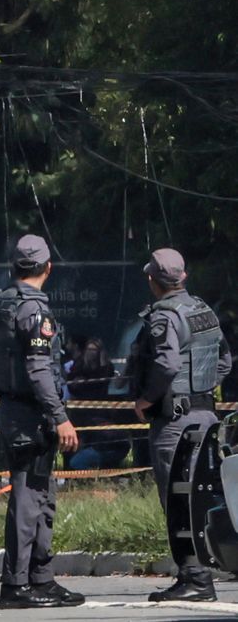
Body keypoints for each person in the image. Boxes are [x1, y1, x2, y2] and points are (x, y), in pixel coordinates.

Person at [0, 234, 83, 610]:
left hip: (15, 409)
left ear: (14, 267)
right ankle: (16, 584)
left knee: (42, 498)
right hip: (32, 414)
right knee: (28, 500)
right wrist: (60, 416)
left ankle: (41, 579)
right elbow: (39, 368)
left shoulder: (2, 304)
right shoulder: (33, 310)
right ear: (47, 268)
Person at [131, 248, 232, 602]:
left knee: (177, 499)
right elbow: (225, 360)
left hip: (175, 422)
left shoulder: (165, 316)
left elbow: (167, 363)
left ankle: (194, 577)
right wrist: (201, 390)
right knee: (203, 496)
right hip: (206, 416)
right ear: (183, 276)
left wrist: (147, 399)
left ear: (151, 280)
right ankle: (203, 572)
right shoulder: (202, 310)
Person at [65, 337, 126, 470]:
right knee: (75, 442)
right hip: (79, 411)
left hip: (99, 411)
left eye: (94, 350)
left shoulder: (106, 366)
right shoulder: (79, 364)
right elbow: (71, 383)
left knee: (97, 439)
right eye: (89, 349)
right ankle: (70, 473)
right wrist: (79, 382)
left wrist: (84, 381)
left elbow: (101, 380)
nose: (91, 352)